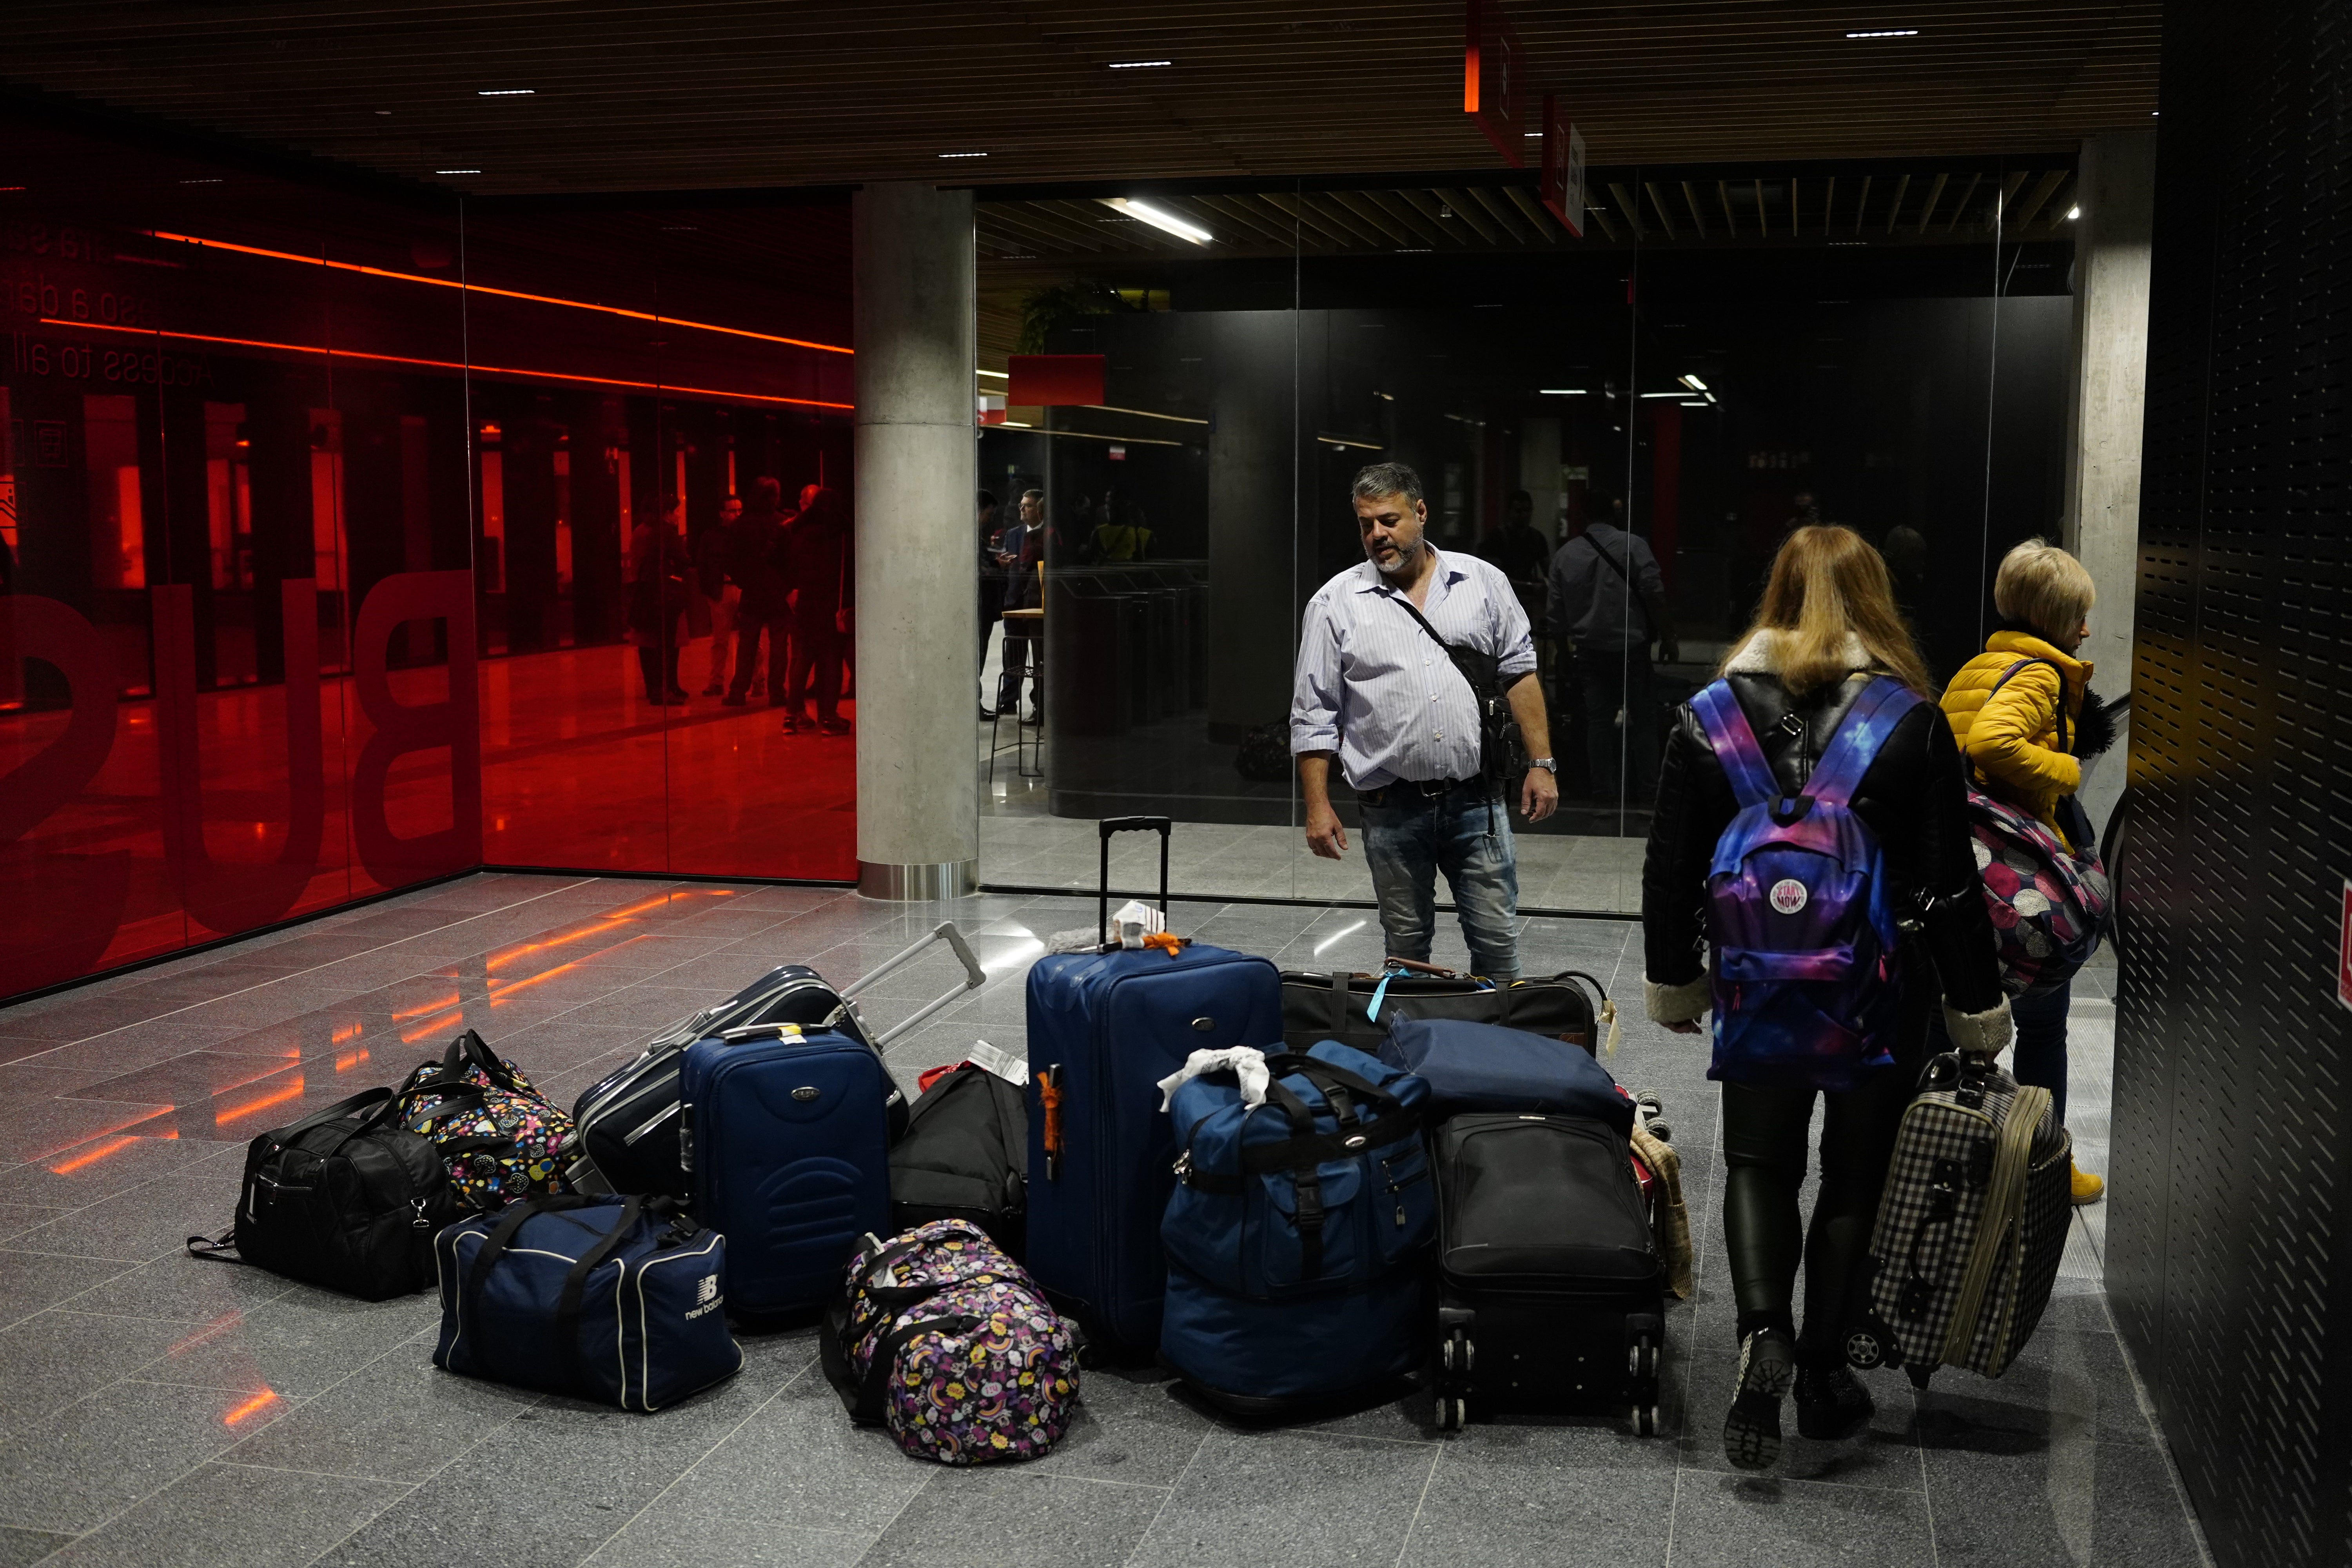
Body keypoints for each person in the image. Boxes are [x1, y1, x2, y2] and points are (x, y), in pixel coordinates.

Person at [1642, 524, 2009, 1470]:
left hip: (1760, 983)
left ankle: (1760, 1330)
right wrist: (1977, 1007)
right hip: (1879, 996)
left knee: (1760, 1165)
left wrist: (1675, 979)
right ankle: (1820, 1371)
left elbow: (1670, 865)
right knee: (1852, 1176)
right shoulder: (1910, 720)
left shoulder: (1711, 713)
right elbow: (1950, 884)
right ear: (1873, 600)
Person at [1292, 461, 1560, 980]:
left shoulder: (1482, 582)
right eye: (1366, 524)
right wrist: (1318, 807)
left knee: (1498, 946)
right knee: (1407, 952)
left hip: (1476, 803)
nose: (1377, 535)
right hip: (1390, 809)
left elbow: (1521, 676)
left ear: (1421, 512)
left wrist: (1541, 763)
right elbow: (1314, 712)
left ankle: (1497, 1054)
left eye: (1389, 520)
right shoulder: (1334, 603)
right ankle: (1413, 1055)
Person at [1939, 537, 2107, 1205]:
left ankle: (1950, 1160)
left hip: (1962, 869)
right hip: (2016, 876)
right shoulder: (2039, 675)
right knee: (2043, 1024)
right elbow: (1992, 745)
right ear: (2054, 618)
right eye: (2077, 616)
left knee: (1955, 1027)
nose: (2086, 629)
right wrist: (2066, 773)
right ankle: (2045, 1169)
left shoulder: (1981, 663)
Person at [1547, 502, 1676, 805]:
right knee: (1643, 721)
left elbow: (1557, 612)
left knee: (1599, 723)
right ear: (1615, 516)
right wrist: (1668, 636)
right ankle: (1648, 792)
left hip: (1590, 651)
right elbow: (1654, 593)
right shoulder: (1633, 546)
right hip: (1632, 648)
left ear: (1584, 517)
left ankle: (1602, 794)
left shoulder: (1566, 554)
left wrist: (1563, 653)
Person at [778, 483, 852, 736]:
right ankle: (829, 718)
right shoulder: (840, 533)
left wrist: (792, 590)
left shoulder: (798, 531)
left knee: (803, 660)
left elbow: (786, 565)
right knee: (831, 661)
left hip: (805, 605)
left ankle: (791, 715)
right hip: (830, 607)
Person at [722, 477, 789, 708]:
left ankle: (738, 691)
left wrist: (744, 581)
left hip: (752, 592)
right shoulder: (783, 523)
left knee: (747, 644)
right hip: (778, 592)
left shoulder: (741, 525)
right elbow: (791, 562)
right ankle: (777, 692)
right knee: (779, 644)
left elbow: (731, 560)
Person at [626, 495, 691, 705]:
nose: (679, 515)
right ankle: (660, 687)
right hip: (659, 594)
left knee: (660, 643)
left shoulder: (645, 531)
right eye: (676, 511)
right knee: (657, 643)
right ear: (666, 513)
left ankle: (665, 686)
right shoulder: (654, 533)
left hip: (652, 593)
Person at [996, 489, 1044, 719]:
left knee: (1038, 657)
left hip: (1036, 605)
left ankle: (1039, 704)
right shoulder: (1014, 534)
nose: (1022, 509)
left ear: (1040, 510)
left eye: (1028, 506)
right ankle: (1008, 701)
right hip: (1015, 602)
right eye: (1021, 505)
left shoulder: (1048, 534)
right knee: (1013, 654)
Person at [697, 494, 743, 695]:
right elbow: (703, 564)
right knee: (720, 641)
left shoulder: (746, 533)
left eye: (740, 510)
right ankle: (717, 682)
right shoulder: (711, 536)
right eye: (733, 510)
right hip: (721, 590)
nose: (737, 514)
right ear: (722, 513)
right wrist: (708, 591)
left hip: (743, 588)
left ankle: (758, 680)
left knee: (752, 640)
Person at [976, 490, 1005, 720]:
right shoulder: (970, 536)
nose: (990, 519)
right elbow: (980, 571)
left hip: (982, 607)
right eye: (989, 513)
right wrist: (999, 567)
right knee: (977, 655)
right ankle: (974, 703)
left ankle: (974, 702)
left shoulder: (975, 536)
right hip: (980, 607)